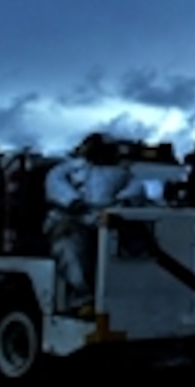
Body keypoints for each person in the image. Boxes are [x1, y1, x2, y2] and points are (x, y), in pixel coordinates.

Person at [44, 132, 148, 313]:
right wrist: (72, 201)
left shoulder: (122, 173)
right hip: (72, 219)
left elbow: (136, 189)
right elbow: (54, 183)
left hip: (109, 220)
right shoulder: (70, 168)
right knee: (69, 248)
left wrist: (123, 202)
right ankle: (82, 298)